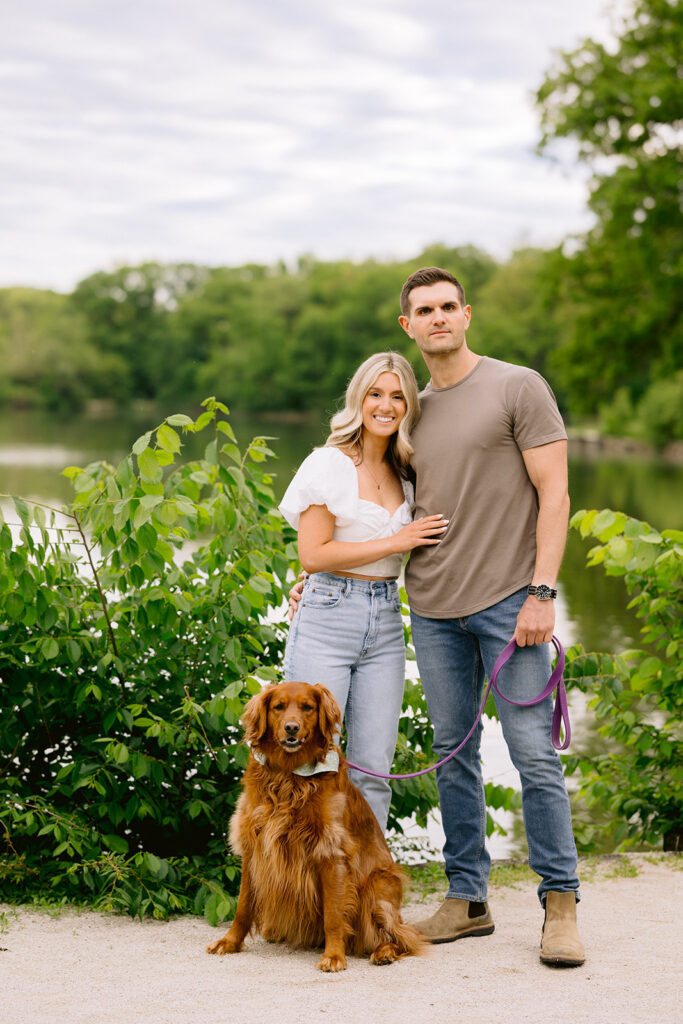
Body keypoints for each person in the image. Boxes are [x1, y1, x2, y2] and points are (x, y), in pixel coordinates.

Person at [290, 269, 585, 967]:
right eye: (424, 310)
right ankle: (467, 899)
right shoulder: (410, 412)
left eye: (448, 306)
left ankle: (561, 902)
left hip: (511, 605)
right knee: (454, 756)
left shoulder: (517, 387)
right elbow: (361, 505)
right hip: (430, 611)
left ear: (466, 314)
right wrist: (314, 575)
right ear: (408, 325)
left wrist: (543, 591)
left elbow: (555, 493)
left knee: (533, 754)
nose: (438, 317)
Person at [278, 351, 448, 832]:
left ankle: (363, 875)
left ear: (409, 406)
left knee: (374, 769)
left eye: (398, 396)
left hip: (386, 620)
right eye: (375, 394)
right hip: (328, 617)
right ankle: (301, 875)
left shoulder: (408, 471)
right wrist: (398, 541)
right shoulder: (329, 463)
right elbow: (313, 554)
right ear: (359, 399)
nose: (386, 406)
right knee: (310, 761)